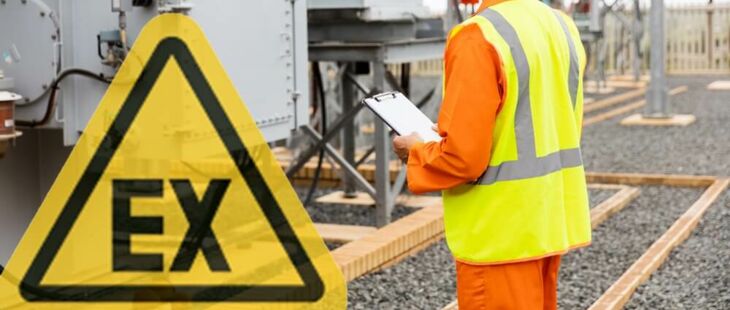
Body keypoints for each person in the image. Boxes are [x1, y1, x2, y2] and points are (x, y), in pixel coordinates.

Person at [392, 0, 592, 309]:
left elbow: (462, 159)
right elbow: (544, 123)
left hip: (500, 233)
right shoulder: (561, 25)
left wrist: (416, 151)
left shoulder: (478, 35)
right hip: (548, 221)